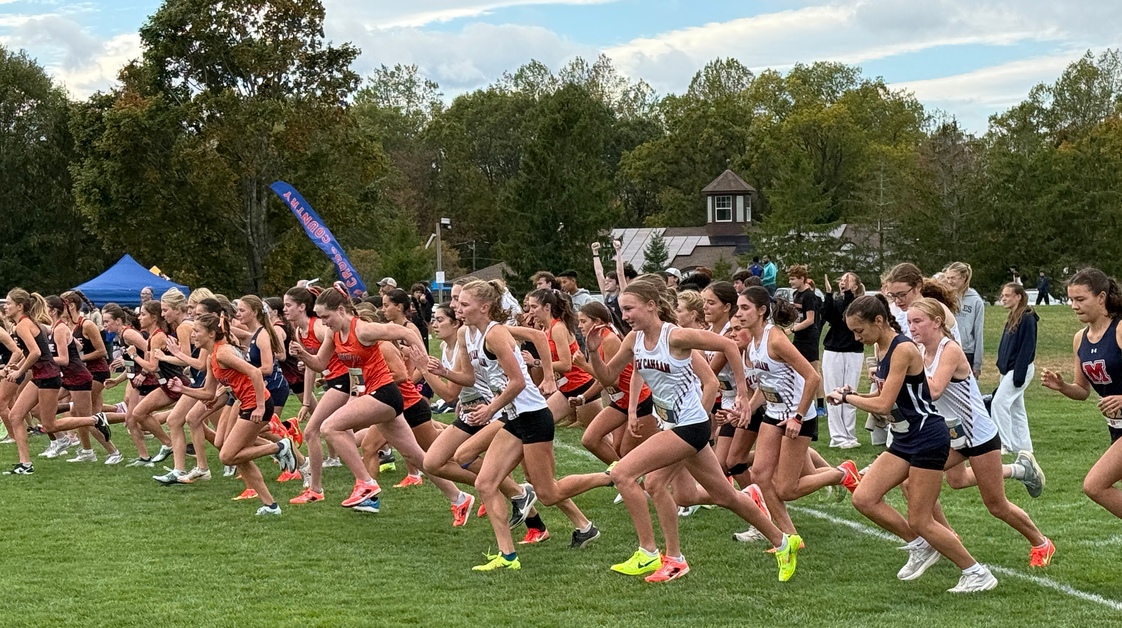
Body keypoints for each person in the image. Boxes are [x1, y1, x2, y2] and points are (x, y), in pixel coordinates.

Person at [553, 279, 801, 583]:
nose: (626, 314)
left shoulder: (677, 336)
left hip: (690, 426)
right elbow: (608, 377)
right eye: (622, 310)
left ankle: (649, 553)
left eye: (630, 308)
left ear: (652, 305)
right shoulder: (633, 340)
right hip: (674, 425)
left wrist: (741, 394)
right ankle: (781, 541)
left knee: (623, 474)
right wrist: (592, 353)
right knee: (722, 495)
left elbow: (727, 344)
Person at [828, 294, 997, 593]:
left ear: (878, 321)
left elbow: (883, 405)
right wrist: (854, 393)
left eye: (859, 331)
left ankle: (976, 572)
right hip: (906, 437)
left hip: (927, 437)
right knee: (864, 498)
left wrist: (847, 398)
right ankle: (920, 545)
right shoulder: (881, 348)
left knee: (920, 518)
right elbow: (893, 401)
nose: (857, 337)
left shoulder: (903, 349)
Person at [456, 280, 598, 572]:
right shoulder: (478, 333)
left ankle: (612, 475)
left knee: (548, 493)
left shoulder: (495, 334)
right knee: (485, 482)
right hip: (515, 419)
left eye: (464, 303)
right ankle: (507, 556)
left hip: (533, 417)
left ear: (484, 307)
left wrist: (491, 408)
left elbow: (518, 382)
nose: (459, 307)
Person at [907, 298, 1054, 568]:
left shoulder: (949, 350)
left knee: (996, 505)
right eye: (909, 322)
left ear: (937, 322)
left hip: (979, 435)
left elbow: (935, 389)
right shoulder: (917, 351)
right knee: (923, 482)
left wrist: (903, 376)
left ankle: (1041, 542)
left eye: (918, 321)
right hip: (952, 434)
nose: (912, 328)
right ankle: (947, 537)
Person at [168, 313, 296, 516]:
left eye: (197, 331)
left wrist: (261, 407)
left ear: (211, 333)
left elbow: (255, 372)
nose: (193, 335)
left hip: (256, 405)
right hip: (247, 404)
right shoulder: (212, 357)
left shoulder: (223, 353)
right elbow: (208, 393)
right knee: (239, 457)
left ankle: (279, 446)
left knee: (227, 456)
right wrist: (181, 390)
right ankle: (271, 506)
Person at [1041, 267, 1122, 523]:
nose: (1073, 306)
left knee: (1095, 485)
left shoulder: (1120, 330)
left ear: (1101, 297)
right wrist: (1063, 386)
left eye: (1080, 299)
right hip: (1116, 428)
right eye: (1070, 299)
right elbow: (1082, 391)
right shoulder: (1080, 339)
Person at [822, 273, 865, 448]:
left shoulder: (859, 304)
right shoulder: (837, 301)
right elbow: (830, 316)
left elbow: (848, 315)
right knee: (833, 393)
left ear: (855, 286)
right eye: (841, 280)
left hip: (853, 351)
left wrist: (848, 294)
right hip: (833, 350)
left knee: (850, 394)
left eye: (847, 281)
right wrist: (828, 294)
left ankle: (850, 435)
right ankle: (838, 437)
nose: (843, 282)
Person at [994, 283, 1038, 454]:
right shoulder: (1013, 317)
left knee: (999, 403)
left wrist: (1018, 375)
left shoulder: (1027, 317)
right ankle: (1025, 447)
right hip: (1008, 369)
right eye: (1002, 295)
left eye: (1007, 295)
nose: (1003, 299)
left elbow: (1027, 348)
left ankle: (1004, 443)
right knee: (1016, 408)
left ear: (1018, 297)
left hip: (1019, 369)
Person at [788, 265, 825, 413]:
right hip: (799, 336)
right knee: (796, 369)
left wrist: (791, 330)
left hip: (809, 337)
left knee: (813, 371)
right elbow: (797, 317)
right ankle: (800, 400)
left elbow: (810, 319)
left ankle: (821, 405)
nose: (790, 282)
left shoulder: (809, 296)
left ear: (801, 279)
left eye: (793, 279)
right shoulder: (796, 294)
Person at [941, 262, 984, 378]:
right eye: (948, 278)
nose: (950, 281)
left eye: (953, 278)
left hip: (966, 351)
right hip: (946, 348)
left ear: (964, 278)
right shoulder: (945, 297)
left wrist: (977, 364)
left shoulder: (975, 301)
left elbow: (978, 332)